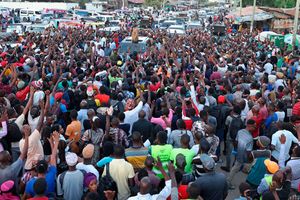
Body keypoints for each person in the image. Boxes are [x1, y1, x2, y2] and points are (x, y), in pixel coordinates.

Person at [227, 119, 256, 189]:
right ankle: (228, 183)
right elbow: (249, 152)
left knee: (235, 168)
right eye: (254, 127)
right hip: (245, 158)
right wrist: (250, 160)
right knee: (244, 170)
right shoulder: (250, 138)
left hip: (238, 154)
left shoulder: (240, 132)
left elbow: (236, 142)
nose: (255, 128)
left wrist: (238, 150)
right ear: (249, 126)